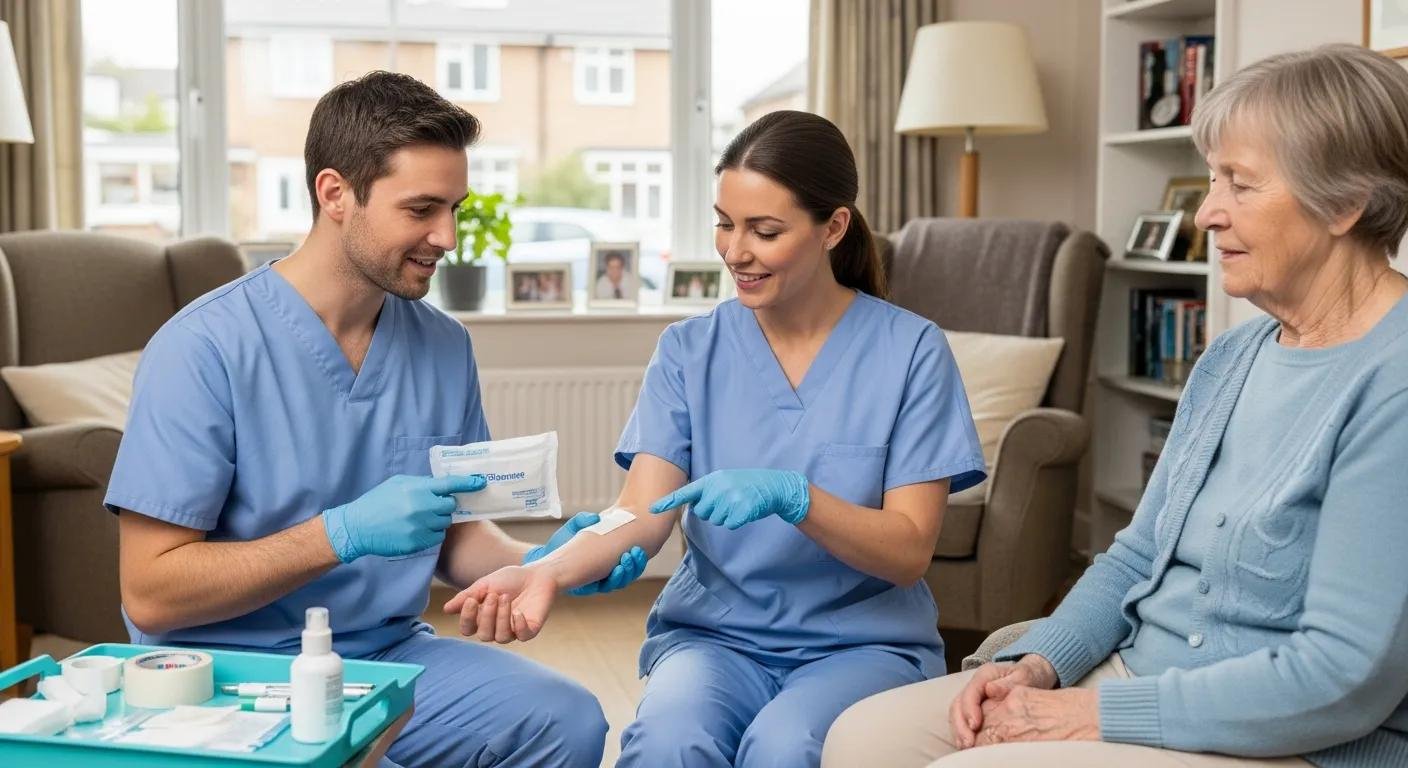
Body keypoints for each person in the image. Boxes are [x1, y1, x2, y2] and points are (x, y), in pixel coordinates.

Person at [823, 43, 1408, 768]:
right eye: (1212, 180)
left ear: (1346, 203)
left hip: (1290, 737)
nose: (1207, 212)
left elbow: (1341, 678)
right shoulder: (1234, 355)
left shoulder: (1394, 380)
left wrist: (1085, 714)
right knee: (859, 740)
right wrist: (1039, 665)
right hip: (1137, 676)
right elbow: (1137, 553)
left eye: (1241, 184)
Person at [107, 71, 647, 768]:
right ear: (335, 194)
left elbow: (454, 533)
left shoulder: (442, 345)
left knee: (565, 720)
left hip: (382, 656)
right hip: (227, 674)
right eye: (421, 208)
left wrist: (543, 563)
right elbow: (150, 594)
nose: (446, 236)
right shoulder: (203, 349)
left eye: (454, 207)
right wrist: (341, 534)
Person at [444, 109, 987, 768]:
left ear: (833, 227)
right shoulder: (688, 350)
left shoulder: (911, 352)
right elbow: (641, 512)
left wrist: (799, 499)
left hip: (861, 644)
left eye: (765, 230)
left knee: (785, 748)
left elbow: (908, 552)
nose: (734, 251)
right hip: (717, 638)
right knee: (667, 742)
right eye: (725, 223)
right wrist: (546, 572)